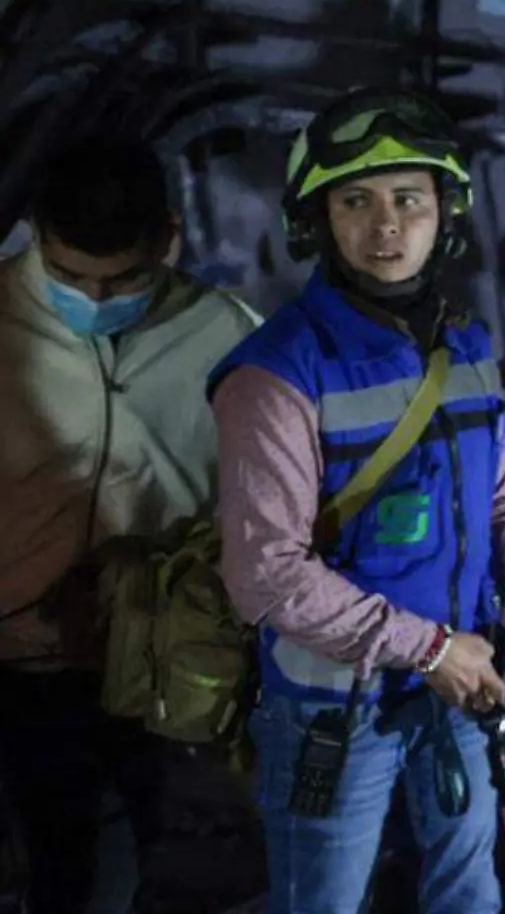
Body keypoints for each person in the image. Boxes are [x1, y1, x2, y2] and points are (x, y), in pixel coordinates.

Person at [209, 88, 505, 914]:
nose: (387, 225)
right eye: (356, 201)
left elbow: (501, 502)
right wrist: (428, 649)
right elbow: (266, 576)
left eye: (409, 199)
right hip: (332, 711)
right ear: (316, 221)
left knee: (470, 895)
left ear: (443, 213)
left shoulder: (469, 348)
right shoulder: (275, 374)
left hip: (459, 682)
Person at [0, 135, 259, 913]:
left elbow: (269, 509)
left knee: (177, 878)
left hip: (165, 679)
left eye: (123, 280)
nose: (93, 297)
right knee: (55, 872)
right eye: (68, 276)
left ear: (169, 241)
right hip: (20, 671)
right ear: (36, 238)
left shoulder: (230, 337)